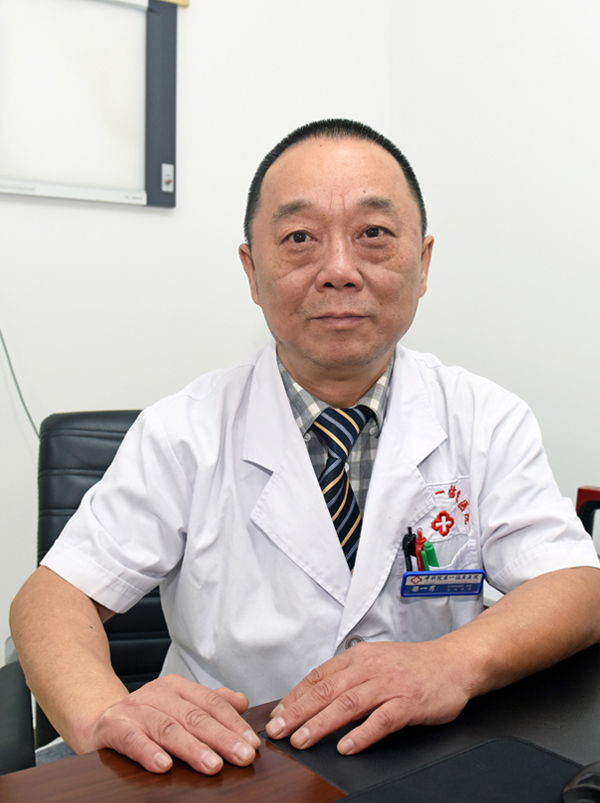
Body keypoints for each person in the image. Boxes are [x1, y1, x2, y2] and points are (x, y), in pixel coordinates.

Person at [10, 119, 600, 777]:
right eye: (299, 239)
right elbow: (51, 599)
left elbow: (575, 583)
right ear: (252, 271)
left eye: (373, 234)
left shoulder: (484, 418)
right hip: (232, 767)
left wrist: (449, 662)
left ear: (424, 263)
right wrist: (102, 713)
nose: (339, 271)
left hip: (424, 759)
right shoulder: (182, 432)